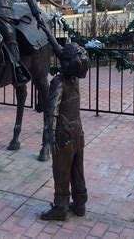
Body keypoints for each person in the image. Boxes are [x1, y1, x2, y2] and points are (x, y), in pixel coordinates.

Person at [40, 42, 90, 221]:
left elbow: (53, 109)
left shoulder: (58, 82)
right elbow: (61, 51)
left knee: (61, 171)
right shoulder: (74, 79)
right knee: (77, 170)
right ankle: (79, 204)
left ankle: (60, 207)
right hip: (78, 133)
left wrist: (49, 131)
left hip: (63, 135)